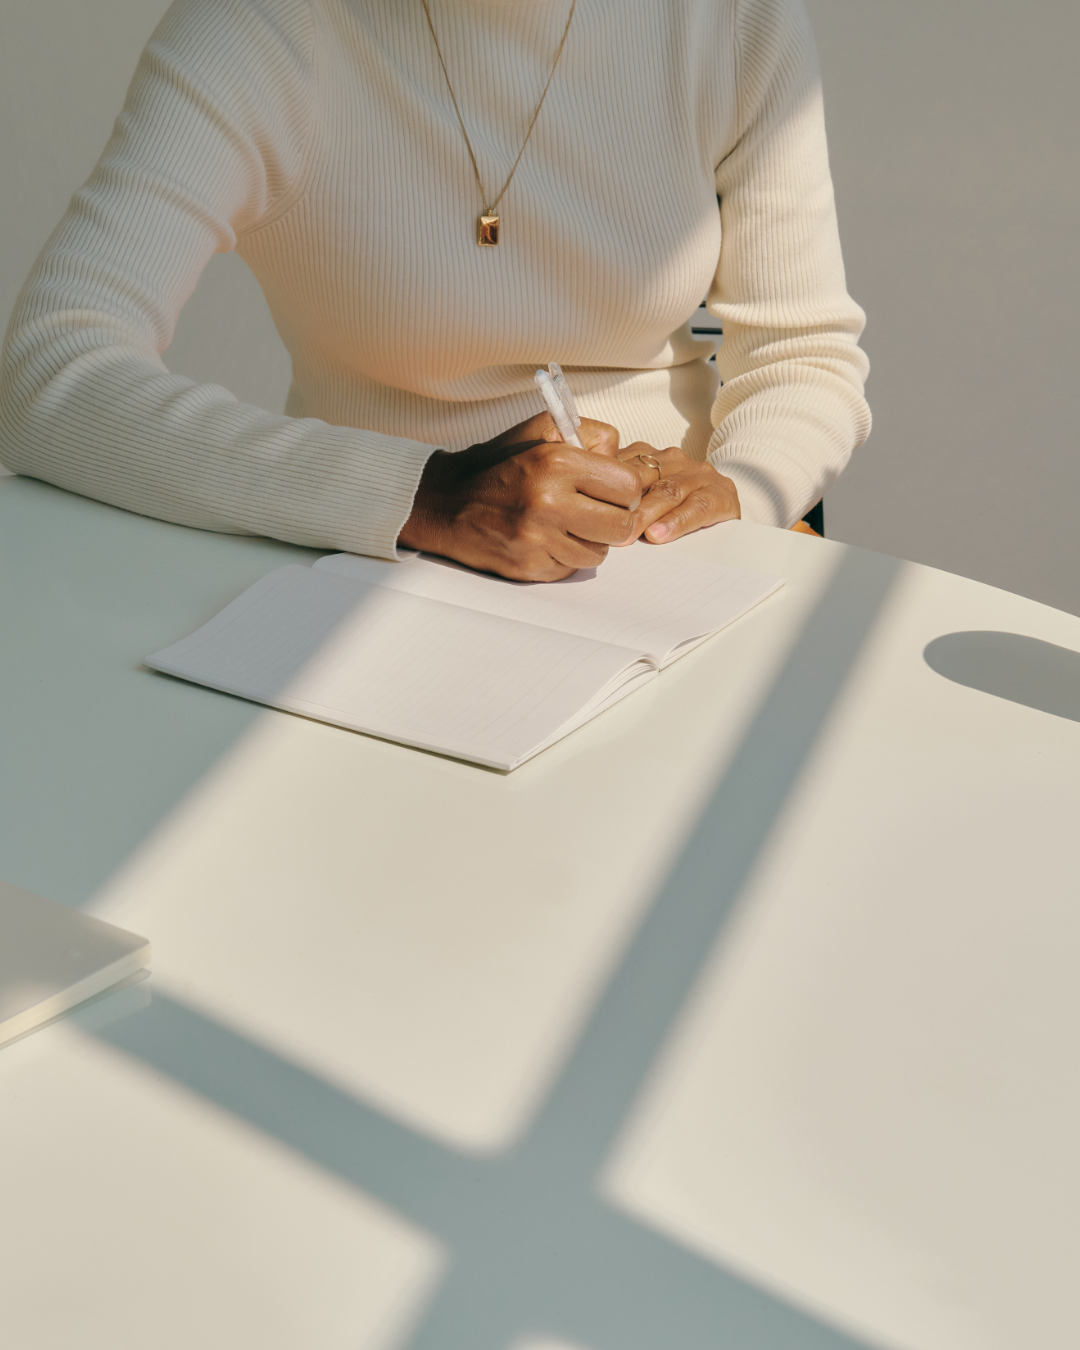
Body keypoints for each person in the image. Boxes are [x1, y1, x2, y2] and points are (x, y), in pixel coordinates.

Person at [0, 0, 869, 582]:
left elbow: (805, 357)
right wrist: (421, 493)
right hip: (379, 570)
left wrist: (735, 497)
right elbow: (48, 374)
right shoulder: (260, 29)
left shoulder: (727, 18)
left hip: (686, 566)